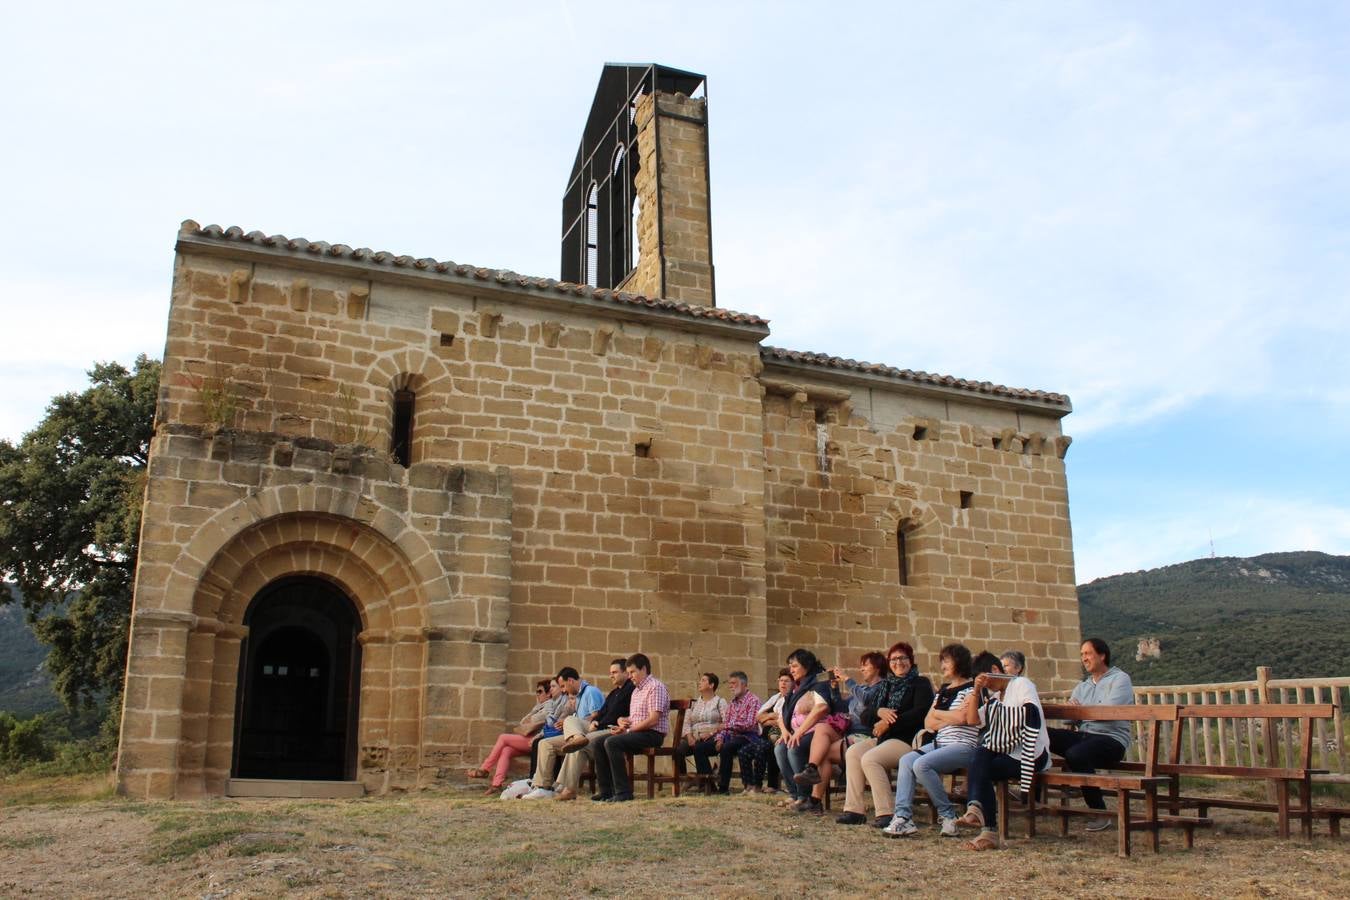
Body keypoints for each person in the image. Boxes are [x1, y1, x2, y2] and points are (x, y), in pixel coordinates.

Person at [882, 644, 987, 838]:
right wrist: (947, 715)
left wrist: (941, 716)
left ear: (959, 662)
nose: (943, 666)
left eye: (946, 661)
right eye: (942, 661)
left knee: (921, 765)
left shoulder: (973, 689)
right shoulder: (944, 691)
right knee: (906, 760)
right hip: (940, 744)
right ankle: (903, 817)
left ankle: (948, 816)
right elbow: (928, 721)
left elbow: (965, 719)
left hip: (963, 746)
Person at [835, 642, 934, 827]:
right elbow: (866, 714)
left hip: (906, 740)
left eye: (903, 658)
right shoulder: (886, 686)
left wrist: (888, 723)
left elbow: (920, 713)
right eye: (894, 659)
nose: (899, 662)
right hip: (883, 739)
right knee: (854, 753)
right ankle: (854, 810)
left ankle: (887, 812)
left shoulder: (920, 683)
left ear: (910, 661)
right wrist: (880, 712)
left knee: (870, 759)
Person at [956, 662, 1052, 850]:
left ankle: (984, 823)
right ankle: (980, 815)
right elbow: (972, 720)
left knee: (981, 763)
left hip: (1031, 754)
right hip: (1007, 754)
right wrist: (976, 691)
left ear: (994, 670)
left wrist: (1002, 724)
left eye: (985, 680)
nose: (986, 685)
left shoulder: (1022, 684)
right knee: (980, 755)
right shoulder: (995, 698)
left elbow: (1030, 715)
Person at [1048, 638, 1135, 830]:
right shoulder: (1083, 686)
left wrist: (1081, 711)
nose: (1084, 658)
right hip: (1085, 736)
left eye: (1087, 653)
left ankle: (1100, 813)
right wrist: (1072, 711)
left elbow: (1109, 711)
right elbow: (1069, 719)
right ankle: (1034, 797)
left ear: (1102, 655)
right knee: (1042, 735)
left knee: (1076, 754)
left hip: (1111, 740)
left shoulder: (1120, 679)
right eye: (1082, 655)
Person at [791, 652, 886, 806]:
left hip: (867, 735)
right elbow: (842, 708)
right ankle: (811, 769)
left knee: (826, 753)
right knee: (822, 727)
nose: (861, 669)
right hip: (849, 732)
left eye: (865, 665)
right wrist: (834, 689)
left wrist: (847, 680)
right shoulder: (861, 688)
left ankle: (814, 800)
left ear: (877, 667)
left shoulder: (882, 687)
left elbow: (867, 700)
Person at [591, 652, 670, 803]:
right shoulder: (637, 691)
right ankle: (606, 791)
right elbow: (634, 718)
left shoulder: (655, 687)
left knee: (612, 743)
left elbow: (653, 720)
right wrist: (622, 721)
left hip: (652, 734)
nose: (630, 676)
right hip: (637, 732)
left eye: (633, 672)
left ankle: (623, 792)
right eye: (628, 673)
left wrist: (629, 730)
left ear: (644, 669)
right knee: (598, 743)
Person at [552, 658, 634, 801]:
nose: (611, 675)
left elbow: (616, 716)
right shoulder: (614, 693)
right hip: (597, 727)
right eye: (610, 672)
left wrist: (599, 723)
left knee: (578, 747)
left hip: (614, 730)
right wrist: (596, 721)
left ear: (626, 673)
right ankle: (577, 738)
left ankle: (568, 789)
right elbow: (603, 712)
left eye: (614, 672)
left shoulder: (631, 690)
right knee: (570, 721)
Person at [522, 666, 606, 800]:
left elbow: (597, 717)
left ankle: (563, 785)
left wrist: (572, 721)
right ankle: (542, 787)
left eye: (563, 686)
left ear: (571, 681)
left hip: (592, 732)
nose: (563, 690)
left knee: (571, 722)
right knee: (545, 744)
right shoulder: (578, 696)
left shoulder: (591, 692)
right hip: (579, 732)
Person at [775, 648, 834, 814]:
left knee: (794, 747)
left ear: (806, 665)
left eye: (794, 666)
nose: (791, 670)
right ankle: (794, 794)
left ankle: (805, 797)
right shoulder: (798, 686)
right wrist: (786, 731)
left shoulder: (818, 681)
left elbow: (822, 707)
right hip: (798, 730)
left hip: (817, 731)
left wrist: (799, 732)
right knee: (779, 749)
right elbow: (784, 711)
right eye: (790, 666)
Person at [468, 679, 551, 794]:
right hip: (529, 739)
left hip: (536, 741)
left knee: (503, 737)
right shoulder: (538, 707)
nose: (537, 694)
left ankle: (485, 768)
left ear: (548, 693)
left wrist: (530, 720)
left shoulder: (549, 706)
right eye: (537, 691)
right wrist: (529, 720)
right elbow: (523, 721)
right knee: (506, 750)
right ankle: (496, 785)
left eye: (540, 691)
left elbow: (534, 720)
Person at [699, 671, 762, 794]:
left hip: (747, 737)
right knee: (700, 748)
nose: (731, 686)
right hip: (731, 736)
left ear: (744, 684)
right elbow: (725, 726)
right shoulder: (732, 703)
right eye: (730, 684)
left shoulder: (753, 700)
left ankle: (723, 788)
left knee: (727, 747)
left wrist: (726, 727)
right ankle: (709, 786)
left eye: (734, 683)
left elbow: (750, 724)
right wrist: (720, 738)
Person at [673, 673, 728, 786]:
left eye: (703, 680)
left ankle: (707, 784)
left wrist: (712, 733)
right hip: (694, 736)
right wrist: (689, 737)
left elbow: (726, 722)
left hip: (712, 736)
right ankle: (684, 780)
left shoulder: (720, 701)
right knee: (678, 750)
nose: (699, 683)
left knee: (699, 748)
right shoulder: (694, 703)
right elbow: (686, 723)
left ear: (711, 685)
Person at [744, 669, 792, 793]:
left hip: (781, 733)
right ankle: (748, 784)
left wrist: (767, 719)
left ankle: (762, 785)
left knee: (766, 748)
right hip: (765, 734)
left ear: (792, 683)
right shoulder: (775, 697)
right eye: (781, 680)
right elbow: (758, 717)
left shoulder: (792, 698)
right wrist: (772, 716)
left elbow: (783, 720)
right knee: (744, 751)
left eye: (787, 681)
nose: (783, 683)